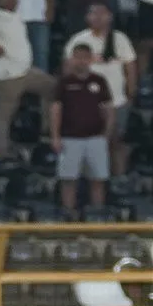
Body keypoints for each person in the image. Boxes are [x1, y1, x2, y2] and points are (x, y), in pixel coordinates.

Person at [0, 0, 55, 159]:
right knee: (5, 112)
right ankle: (1, 150)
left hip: (25, 70)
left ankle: (47, 130)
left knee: (52, 88)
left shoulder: (15, 15)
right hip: (7, 74)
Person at [65, 3, 138, 176]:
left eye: (102, 13)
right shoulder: (78, 40)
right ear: (87, 17)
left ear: (110, 17)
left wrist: (131, 91)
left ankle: (118, 178)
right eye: (93, 13)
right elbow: (67, 69)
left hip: (116, 100)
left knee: (114, 142)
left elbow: (130, 68)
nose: (97, 17)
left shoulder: (120, 39)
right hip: (85, 101)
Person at [49, 43, 113, 213]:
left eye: (85, 57)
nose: (81, 61)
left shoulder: (99, 81)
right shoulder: (63, 83)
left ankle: (98, 214)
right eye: (78, 57)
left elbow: (107, 109)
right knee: (68, 179)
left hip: (95, 138)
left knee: (98, 179)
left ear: (91, 59)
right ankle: (67, 214)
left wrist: (106, 134)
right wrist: (55, 136)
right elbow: (56, 109)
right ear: (72, 59)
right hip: (70, 138)